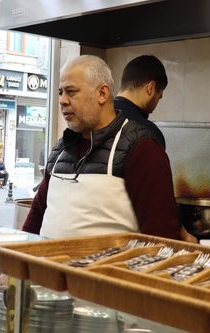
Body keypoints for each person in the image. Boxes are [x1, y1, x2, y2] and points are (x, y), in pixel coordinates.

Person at [22, 55, 184, 241]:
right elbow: (34, 221)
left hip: (106, 270)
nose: (62, 101)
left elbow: (162, 239)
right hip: (46, 268)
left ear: (102, 94)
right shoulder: (61, 150)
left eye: (71, 92)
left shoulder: (142, 149)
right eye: (60, 92)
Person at [114, 55, 197, 243]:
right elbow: (159, 199)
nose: (156, 104)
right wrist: (181, 232)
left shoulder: (100, 119)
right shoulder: (146, 132)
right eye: (159, 96)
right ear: (150, 88)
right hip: (131, 238)